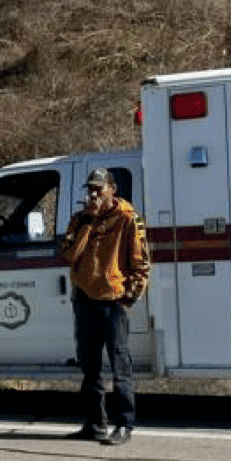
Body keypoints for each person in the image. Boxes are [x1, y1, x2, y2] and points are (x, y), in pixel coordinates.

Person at [59, 168, 150, 445]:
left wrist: (127, 299)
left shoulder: (128, 219)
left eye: (99, 189)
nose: (94, 194)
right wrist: (88, 222)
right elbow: (68, 254)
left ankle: (124, 424)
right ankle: (95, 424)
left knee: (120, 366)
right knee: (90, 368)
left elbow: (141, 264)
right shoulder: (80, 219)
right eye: (91, 189)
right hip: (85, 300)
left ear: (113, 189)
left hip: (113, 303)